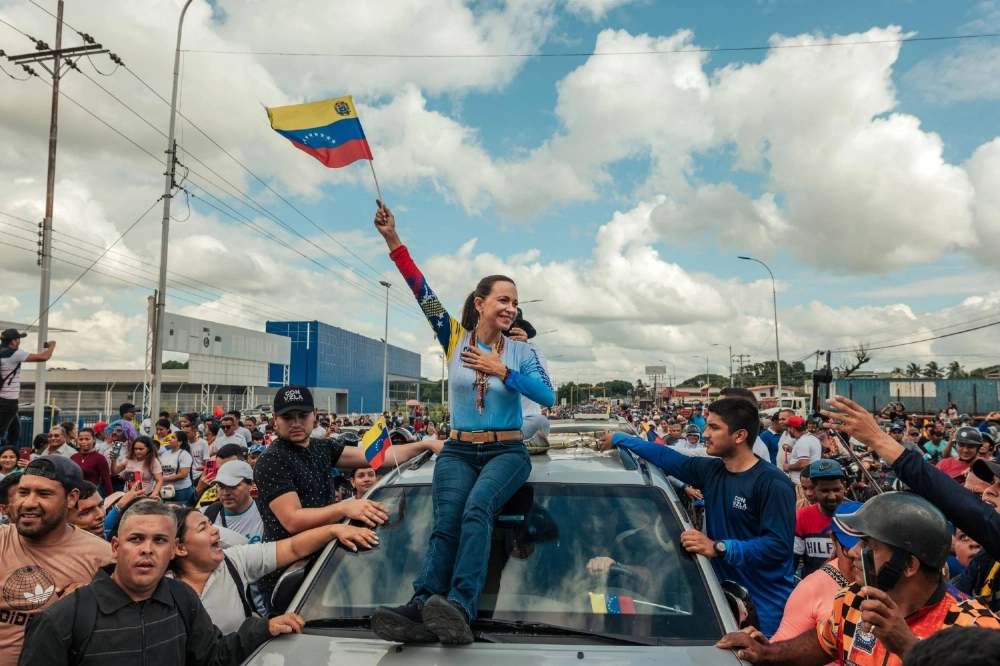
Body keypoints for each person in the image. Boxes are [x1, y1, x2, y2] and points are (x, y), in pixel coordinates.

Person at [367, 201, 555, 646]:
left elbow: (548, 397)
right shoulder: (453, 337)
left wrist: (502, 370)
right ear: (480, 303)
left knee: (476, 510)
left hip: (506, 451)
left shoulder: (522, 352)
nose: (510, 308)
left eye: (515, 302)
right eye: (503, 300)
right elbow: (420, 289)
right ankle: (421, 606)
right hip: (456, 449)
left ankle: (460, 607)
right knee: (445, 520)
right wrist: (393, 239)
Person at [716, 493, 1000, 665]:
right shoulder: (852, 599)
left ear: (909, 564)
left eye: (868, 546)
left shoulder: (976, 627)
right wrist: (767, 653)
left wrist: (907, 646)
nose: (852, 552)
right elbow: (821, 643)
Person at [18, 501, 304, 666]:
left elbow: (213, 657)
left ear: (173, 549)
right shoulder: (64, 619)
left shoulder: (182, 599)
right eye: (136, 539)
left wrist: (261, 629)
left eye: (159, 540)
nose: (147, 549)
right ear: (115, 547)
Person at [599, 397, 795, 637]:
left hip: (766, 612)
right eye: (707, 426)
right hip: (723, 605)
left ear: (740, 435)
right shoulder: (712, 471)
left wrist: (719, 547)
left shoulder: (772, 484)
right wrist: (620, 438)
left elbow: (778, 547)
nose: (705, 433)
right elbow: (665, 457)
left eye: (714, 427)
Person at [254, 385, 440, 607]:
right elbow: (293, 520)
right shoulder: (271, 460)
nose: (296, 423)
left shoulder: (322, 448)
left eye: (302, 415)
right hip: (287, 578)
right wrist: (345, 508)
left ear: (314, 414)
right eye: (287, 417)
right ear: (275, 419)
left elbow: (378, 457)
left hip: (325, 567)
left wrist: (427, 444)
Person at [819, 396, 1000, 611]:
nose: (989, 490)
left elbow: (967, 509)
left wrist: (879, 440)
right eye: (992, 483)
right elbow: (955, 601)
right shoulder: (986, 560)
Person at [168, 506, 378, 632]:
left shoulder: (233, 560)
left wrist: (334, 530)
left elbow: (292, 547)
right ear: (179, 547)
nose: (215, 530)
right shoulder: (162, 588)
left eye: (211, 523)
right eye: (203, 528)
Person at [0, 456, 111, 663]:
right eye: (23, 493)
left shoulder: (102, 557)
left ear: (71, 498)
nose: (29, 503)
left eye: (44, 494)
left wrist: (95, 596)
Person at [773, 501, 861, 649]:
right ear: (833, 540)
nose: (857, 555)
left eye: (867, 548)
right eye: (848, 548)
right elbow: (779, 649)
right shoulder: (811, 590)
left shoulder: (887, 582)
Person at [0, 330, 54, 448]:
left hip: (4, 400)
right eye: (19, 339)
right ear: (13, 342)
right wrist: (52, 346)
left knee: (15, 431)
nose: (20, 341)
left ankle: (10, 454)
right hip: (8, 401)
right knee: (2, 434)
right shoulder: (14, 354)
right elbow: (44, 357)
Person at [794, 460, 847, 578]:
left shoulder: (858, 516)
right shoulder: (801, 517)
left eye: (837, 490)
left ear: (844, 486)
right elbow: (791, 563)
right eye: (825, 491)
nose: (832, 496)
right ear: (812, 489)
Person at [201, 461, 263, 544]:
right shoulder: (206, 515)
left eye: (233, 486)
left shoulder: (268, 511)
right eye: (221, 486)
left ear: (251, 485)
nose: (226, 493)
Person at [70, 427, 113, 497]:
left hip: (91, 496)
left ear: (94, 440)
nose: (84, 442)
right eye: (81, 439)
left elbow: (107, 481)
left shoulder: (100, 458)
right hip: (75, 495)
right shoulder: (73, 457)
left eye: (87, 439)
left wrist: (111, 500)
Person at [159, 430, 195, 505]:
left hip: (181, 490)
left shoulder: (184, 455)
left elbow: (183, 474)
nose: (169, 439)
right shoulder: (165, 454)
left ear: (179, 442)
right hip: (166, 489)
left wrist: (163, 479)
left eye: (173, 437)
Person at [784, 416, 822, 484]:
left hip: (801, 484)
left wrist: (788, 467)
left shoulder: (803, 441)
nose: (788, 431)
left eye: (788, 428)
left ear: (792, 429)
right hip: (809, 480)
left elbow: (803, 464)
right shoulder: (812, 438)